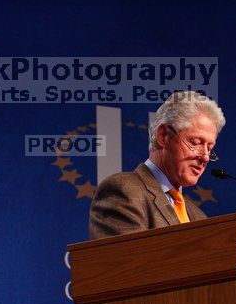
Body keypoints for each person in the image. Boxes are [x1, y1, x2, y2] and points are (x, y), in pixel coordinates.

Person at [89, 91, 225, 239]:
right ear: (163, 136)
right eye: (195, 143)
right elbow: (125, 261)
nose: (205, 157)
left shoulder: (199, 217)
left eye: (209, 148)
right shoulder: (123, 190)